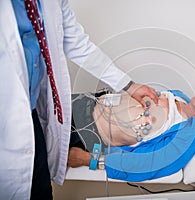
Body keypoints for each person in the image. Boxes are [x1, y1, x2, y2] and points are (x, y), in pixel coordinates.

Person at [0, 1, 158, 199]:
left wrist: (129, 86)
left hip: (37, 118)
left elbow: (77, 43)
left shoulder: (187, 130)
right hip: (10, 115)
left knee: (39, 191)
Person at [67, 82, 195, 181]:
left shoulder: (190, 134)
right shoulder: (177, 95)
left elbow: (145, 164)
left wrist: (88, 159)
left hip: (83, 132)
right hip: (82, 100)